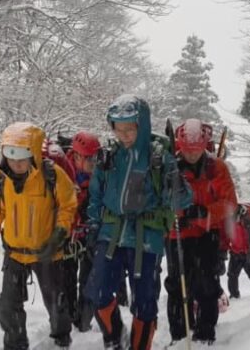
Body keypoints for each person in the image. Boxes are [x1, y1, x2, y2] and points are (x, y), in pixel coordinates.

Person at [84, 95, 192, 350]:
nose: (124, 136)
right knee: (97, 291)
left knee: (144, 302)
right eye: (118, 129)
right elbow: (96, 194)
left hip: (147, 237)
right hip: (110, 233)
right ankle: (115, 339)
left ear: (141, 126)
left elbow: (183, 200)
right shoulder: (108, 156)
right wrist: (93, 224)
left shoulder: (159, 157)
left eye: (130, 129)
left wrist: (174, 182)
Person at [0, 122, 78, 350]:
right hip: (14, 253)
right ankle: (15, 344)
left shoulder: (52, 175)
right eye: (11, 157)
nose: (16, 163)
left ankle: (61, 337)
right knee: (8, 307)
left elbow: (68, 206)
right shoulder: (1, 179)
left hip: (47, 253)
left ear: (33, 153)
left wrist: (60, 233)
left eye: (22, 158)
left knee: (55, 302)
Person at [164, 118, 238, 346]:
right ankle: (180, 335)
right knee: (177, 285)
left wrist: (204, 213)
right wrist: (175, 213)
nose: (192, 155)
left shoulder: (216, 167)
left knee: (206, 283)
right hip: (177, 235)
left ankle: (205, 333)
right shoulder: (170, 166)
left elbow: (229, 203)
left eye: (196, 150)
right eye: (187, 150)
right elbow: (159, 198)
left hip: (208, 234)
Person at [62, 130, 102, 332]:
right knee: (66, 276)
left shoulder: (100, 176)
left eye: (96, 158)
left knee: (89, 277)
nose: (94, 163)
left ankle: (84, 321)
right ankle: (68, 316)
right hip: (68, 234)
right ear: (76, 156)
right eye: (89, 159)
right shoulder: (62, 172)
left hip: (89, 233)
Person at [228, 203, 250, 298]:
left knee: (233, 275)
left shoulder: (236, 217)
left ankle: (234, 296)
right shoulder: (246, 216)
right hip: (247, 251)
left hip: (239, 250)